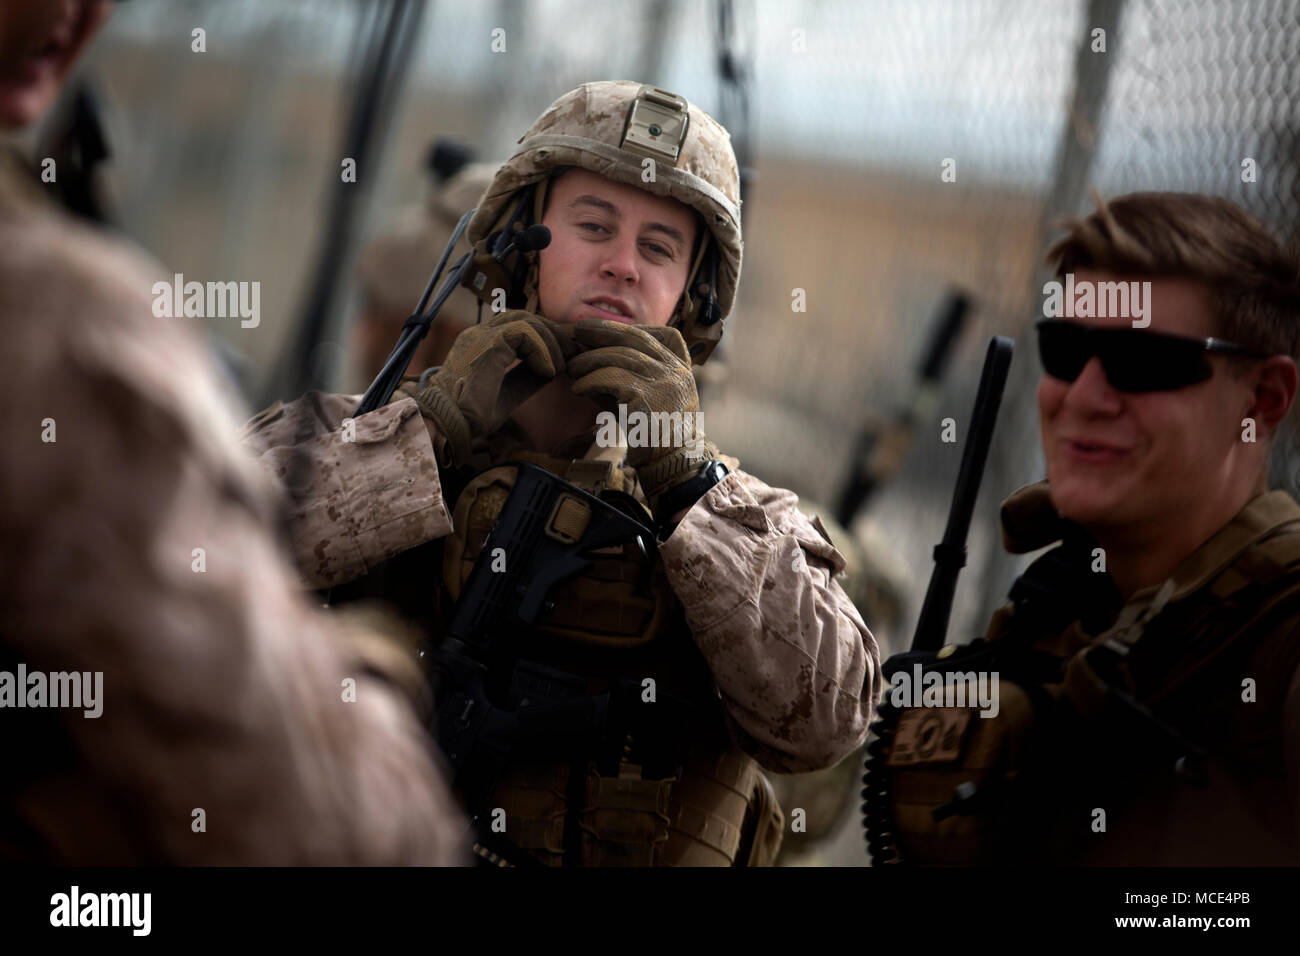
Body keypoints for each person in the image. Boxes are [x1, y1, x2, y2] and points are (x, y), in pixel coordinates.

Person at [244, 80, 881, 866]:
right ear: (520, 237)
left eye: (658, 248)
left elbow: (824, 721)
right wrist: (428, 434)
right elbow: (203, 552)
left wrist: (686, 484)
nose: (621, 265)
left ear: (694, 293)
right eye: (592, 226)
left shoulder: (735, 514)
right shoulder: (357, 436)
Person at [0, 0, 466, 864]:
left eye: (399, 319)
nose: (79, 15)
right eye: (374, 315)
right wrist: (365, 674)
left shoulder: (701, 502)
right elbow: (330, 824)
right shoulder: (61, 317)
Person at [873, 192, 1300, 865]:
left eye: (1145, 360)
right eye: (1067, 349)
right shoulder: (1060, 605)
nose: (1084, 396)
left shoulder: (1281, 647)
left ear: (1263, 399)